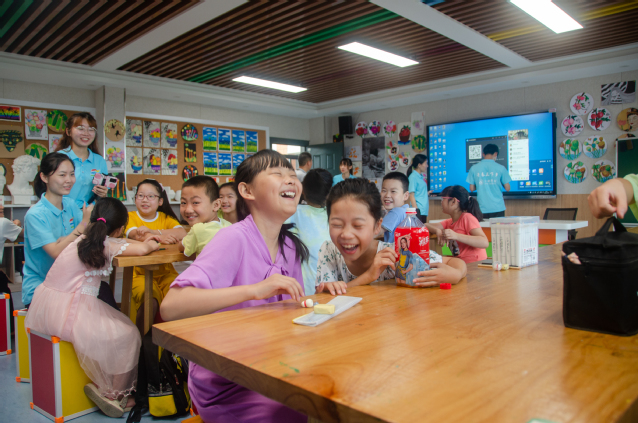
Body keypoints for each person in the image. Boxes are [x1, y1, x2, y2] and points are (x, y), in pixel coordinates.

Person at [161, 149, 307, 423]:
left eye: (292, 175)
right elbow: (171, 307)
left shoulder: (290, 245)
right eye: (277, 173)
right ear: (246, 190)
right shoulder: (233, 238)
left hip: (272, 366)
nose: (290, 180)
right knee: (298, 409)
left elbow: (292, 311)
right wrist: (254, 290)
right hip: (228, 381)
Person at [25, 198, 161, 418]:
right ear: (119, 229)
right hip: (71, 312)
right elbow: (144, 248)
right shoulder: (106, 244)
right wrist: (153, 241)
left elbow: (121, 244)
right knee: (128, 334)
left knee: (117, 327)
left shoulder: (84, 239)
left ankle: (109, 386)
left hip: (50, 307)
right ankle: (115, 395)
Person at [315, 178, 467, 295]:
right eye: (337, 224)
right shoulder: (329, 250)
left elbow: (454, 262)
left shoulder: (393, 254)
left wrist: (456, 274)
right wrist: (368, 276)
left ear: (377, 226)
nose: (346, 234)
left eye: (358, 225)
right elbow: (323, 300)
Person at [22, 153, 92, 307]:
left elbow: (90, 233)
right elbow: (55, 252)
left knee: (102, 295)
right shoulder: (35, 215)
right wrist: (82, 226)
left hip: (69, 284)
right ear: (44, 177)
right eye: (62, 175)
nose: (69, 180)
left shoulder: (70, 204)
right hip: (41, 288)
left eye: (72, 174)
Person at [125, 179, 186, 331]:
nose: (145, 200)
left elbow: (181, 233)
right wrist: (162, 238)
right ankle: (143, 341)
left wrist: (154, 233)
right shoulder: (129, 217)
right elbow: (136, 235)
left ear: (160, 201)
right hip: (138, 274)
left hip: (166, 272)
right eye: (140, 196)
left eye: (150, 196)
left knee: (180, 297)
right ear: (135, 199)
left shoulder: (165, 218)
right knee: (149, 299)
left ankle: (173, 339)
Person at [286, 168, 332, 294]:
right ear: (329, 194)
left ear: (303, 191)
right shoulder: (335, 215)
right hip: (333, 287)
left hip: (304, 289)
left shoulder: (294, 213)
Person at [55, 112, 109, 208]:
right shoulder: (58, 157)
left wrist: (102, 193)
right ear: (68, 131)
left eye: (91, 129)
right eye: (80, 128)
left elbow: (102, 193)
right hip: (62, 211)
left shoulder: (100, 161)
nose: (86, 133)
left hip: (89, 212)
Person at [425, 185, 489, 263]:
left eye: (443, 199)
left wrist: (456, 236)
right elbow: (424, 225)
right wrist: (437, 230)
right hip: (461, 264)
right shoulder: (449, 222)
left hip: (475, 263)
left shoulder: (467, 217)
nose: (441, 202)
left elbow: (484, 242)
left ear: (453, 201)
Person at [179, 175, 231, 256]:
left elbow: (181, 247)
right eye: (183, 203)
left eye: (195, 202)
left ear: (216, 205)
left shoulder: (198, 230)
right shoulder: (229, 225)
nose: (188, 210)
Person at [467, 144, 511, 219]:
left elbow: (471, 188)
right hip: (497, 207)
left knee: (483, 226)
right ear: (495, 154)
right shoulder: (501, 168)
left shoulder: (474, 168)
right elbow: (507, 188)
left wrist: (482, 183)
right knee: (497, 227)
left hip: (482, 207)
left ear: (483, 154)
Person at [380, 171, 410, 243]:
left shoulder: (396, 212)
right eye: (384, 190)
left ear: (405, 196)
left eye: (393, 191)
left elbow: (374, 232)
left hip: (395, 250)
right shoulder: (406, 210)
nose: (387, 195)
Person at [407, 153, 429, 223]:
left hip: (423, 210)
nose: (427, 166)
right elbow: (411, 195)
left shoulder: (421, 176)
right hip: (418, 210)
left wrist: (427, 193)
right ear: (419, 165)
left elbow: (419, 192)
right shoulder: (413, 177)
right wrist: (416, 211)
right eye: (426, 163)